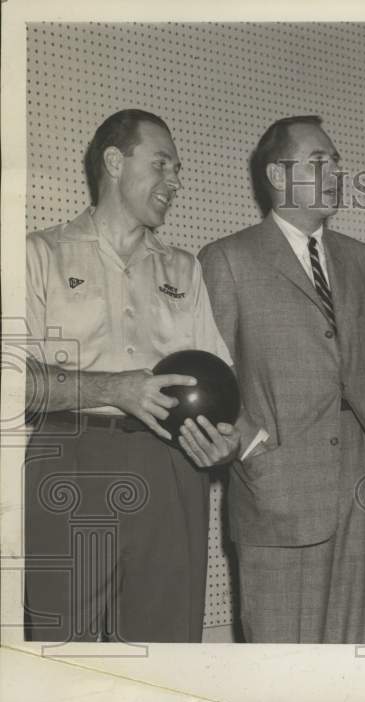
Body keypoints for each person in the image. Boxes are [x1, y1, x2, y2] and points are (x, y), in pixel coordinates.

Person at [23, 108, 241, 643]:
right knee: (61, 646)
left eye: (178, 169)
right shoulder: (39, 254)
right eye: (162, 164)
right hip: (71, 458)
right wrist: (116, 389)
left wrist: (223, 444)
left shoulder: (184, 270)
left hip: (172, 467)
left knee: (165, 647)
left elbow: (222, 387)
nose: (176, 182)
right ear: (115, 162)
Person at [198, 116, 365, 644]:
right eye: (319, 161)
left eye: (336, 161)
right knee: (280, 661)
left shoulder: (359, 259)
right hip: (276, 488)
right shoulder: (228, 259)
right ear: (277, 174)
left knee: (348, 653)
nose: (335, 170)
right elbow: (211, 373)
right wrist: (252, 449)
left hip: (361, 485)